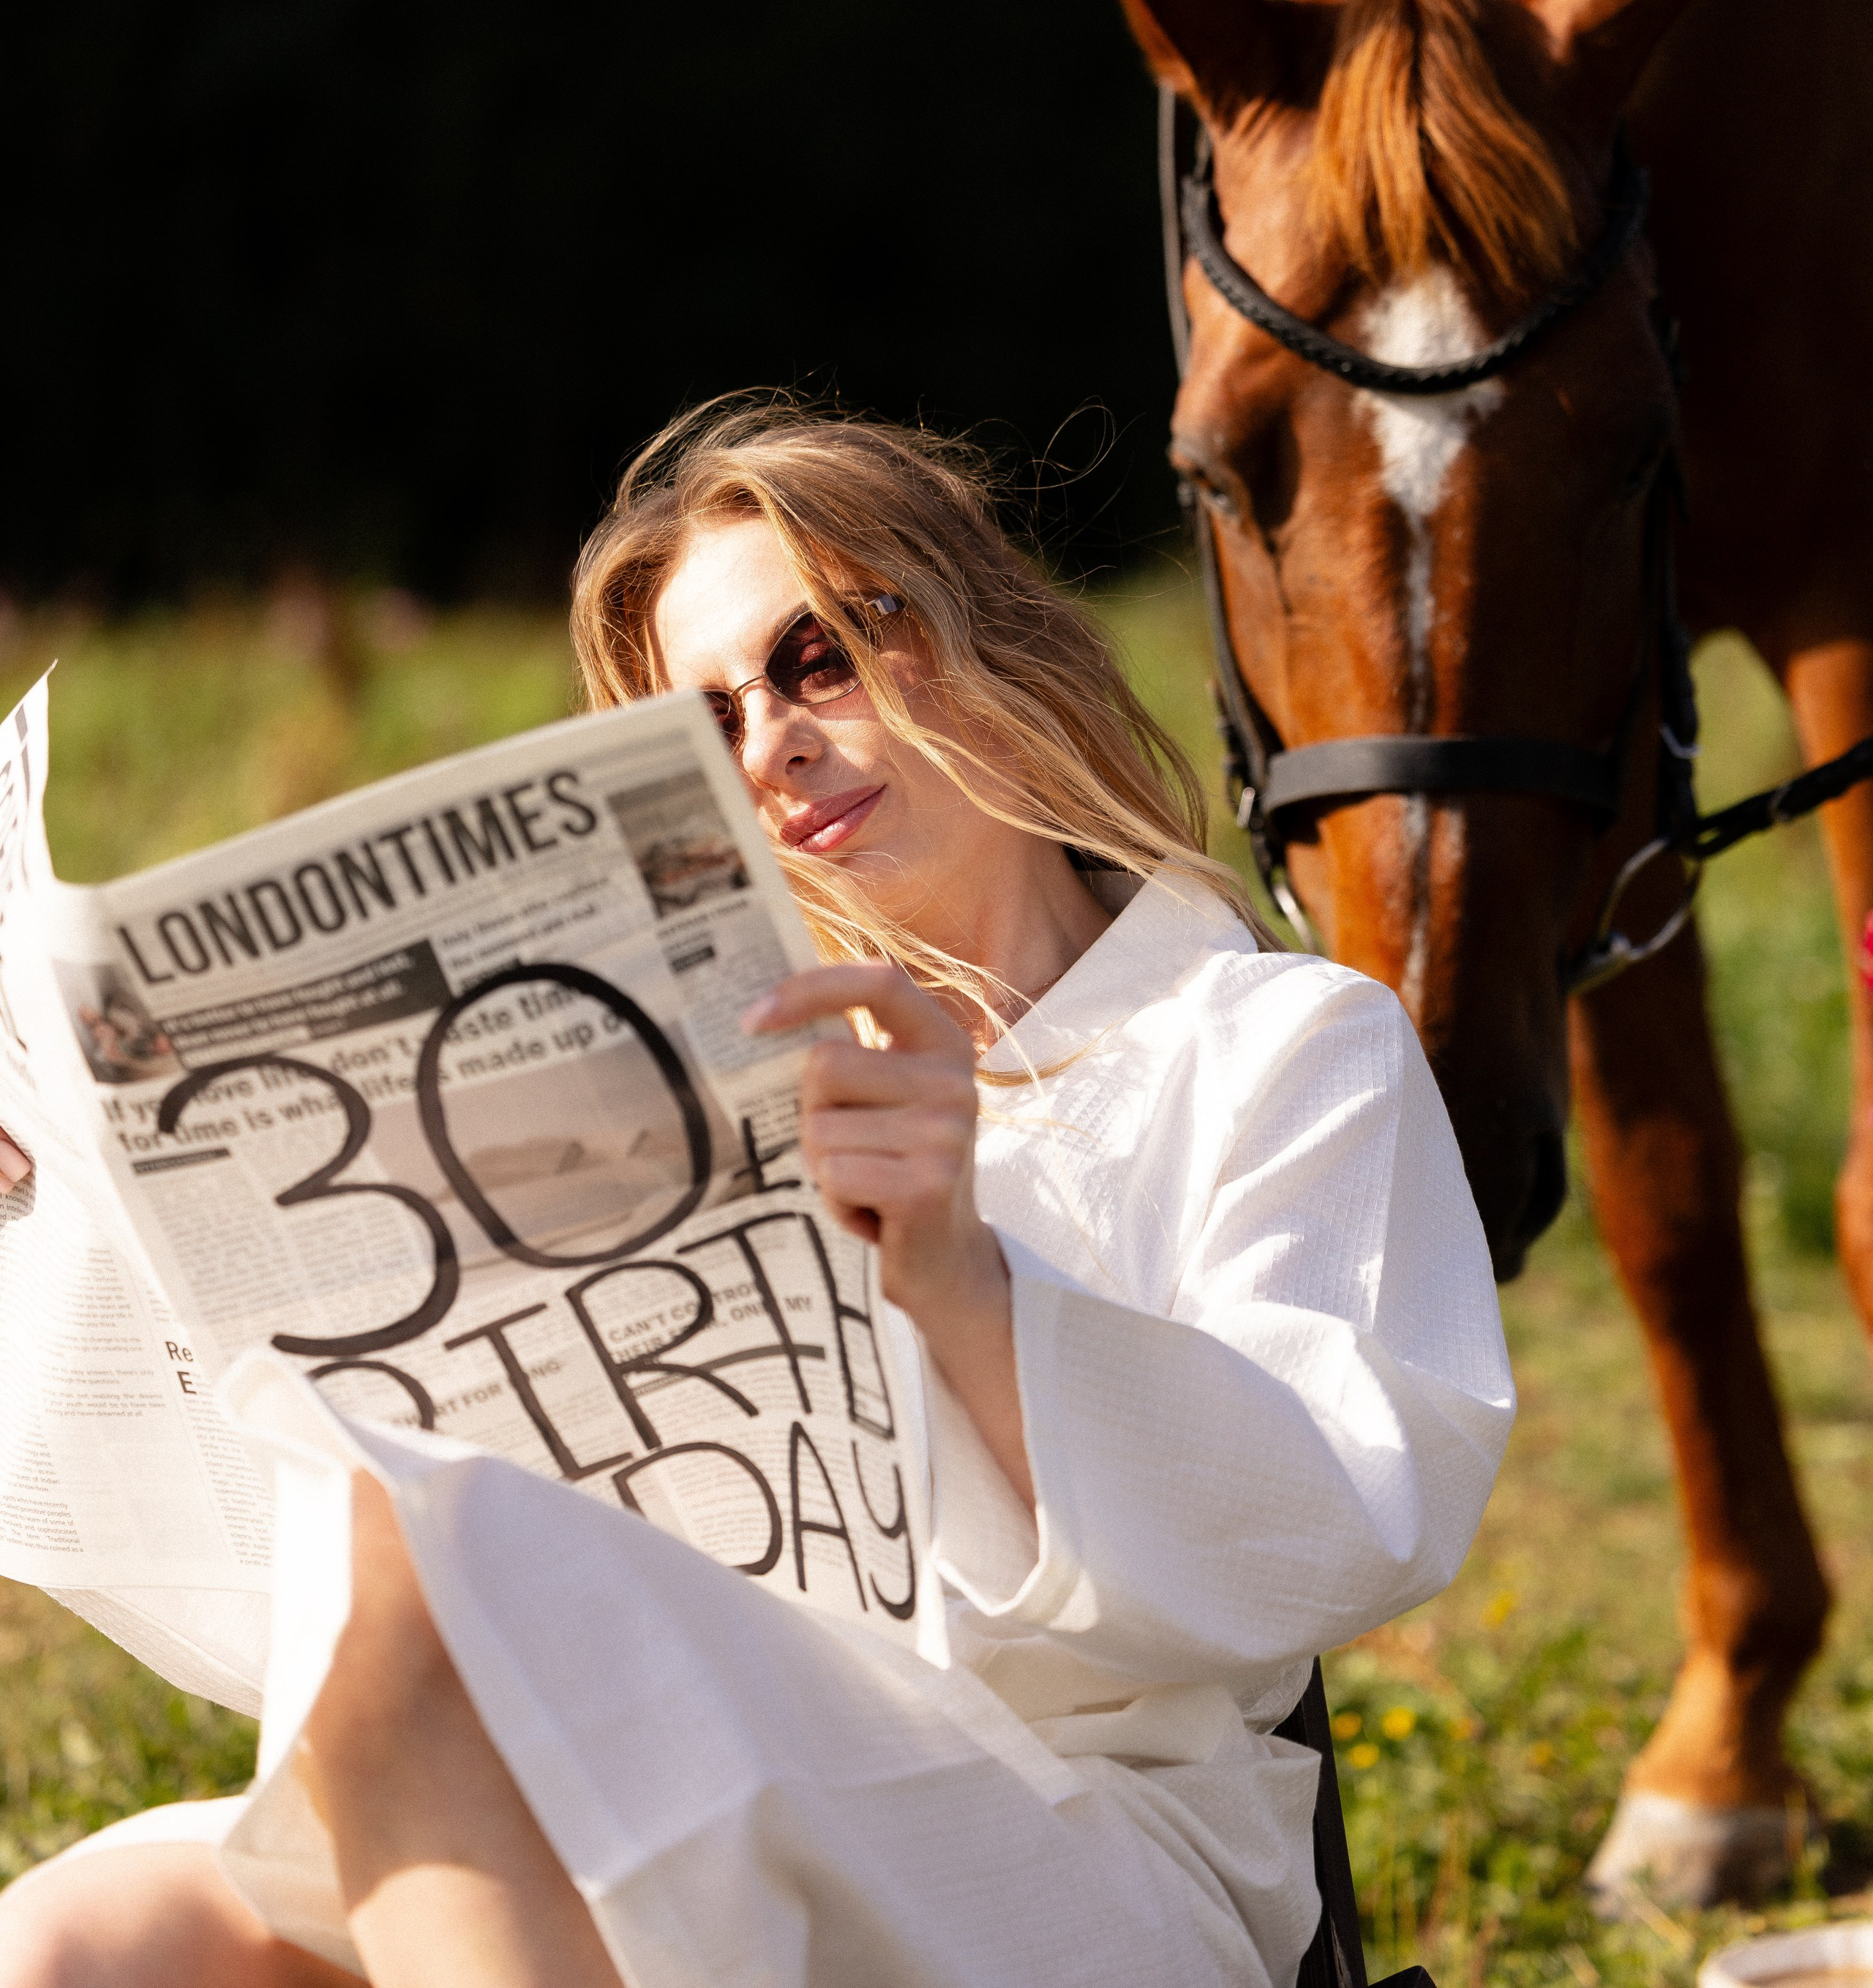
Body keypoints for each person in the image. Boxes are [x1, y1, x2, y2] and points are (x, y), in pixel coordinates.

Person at [0, 395, 1514, 1988]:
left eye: (818, 655)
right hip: (659, 1731)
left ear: (988, 633)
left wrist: (965, 1280)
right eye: (707, 720)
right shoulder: (676, 1084)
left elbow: (1347, 1510)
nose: (772, 741)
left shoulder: (1271, 1039)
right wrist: (59, 1218)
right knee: (83, 1941)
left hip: (1087, 1828)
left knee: (451, 1626)